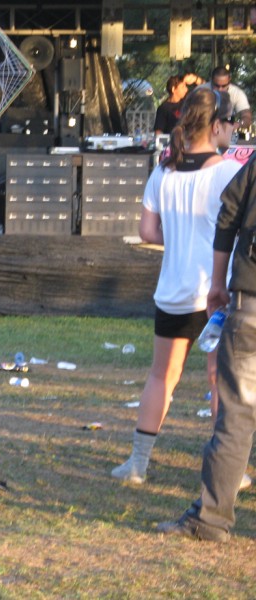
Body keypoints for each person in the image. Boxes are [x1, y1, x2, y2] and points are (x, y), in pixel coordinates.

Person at [111, 87, 242, 485]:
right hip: (216, 292)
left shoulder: (163, 172)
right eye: (230, 122)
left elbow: (147, 231)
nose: (233, 129)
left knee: (161, 377)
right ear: (216, 126)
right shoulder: (229, 173)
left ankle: (137, 464)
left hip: (172, 291)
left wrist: (181, 238)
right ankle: (229, 472)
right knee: (219, 380)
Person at [157, 135, 256, 542]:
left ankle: (211, 519)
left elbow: (228, 214)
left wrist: (218, 282)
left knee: (236, 415)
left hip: (250, 300)